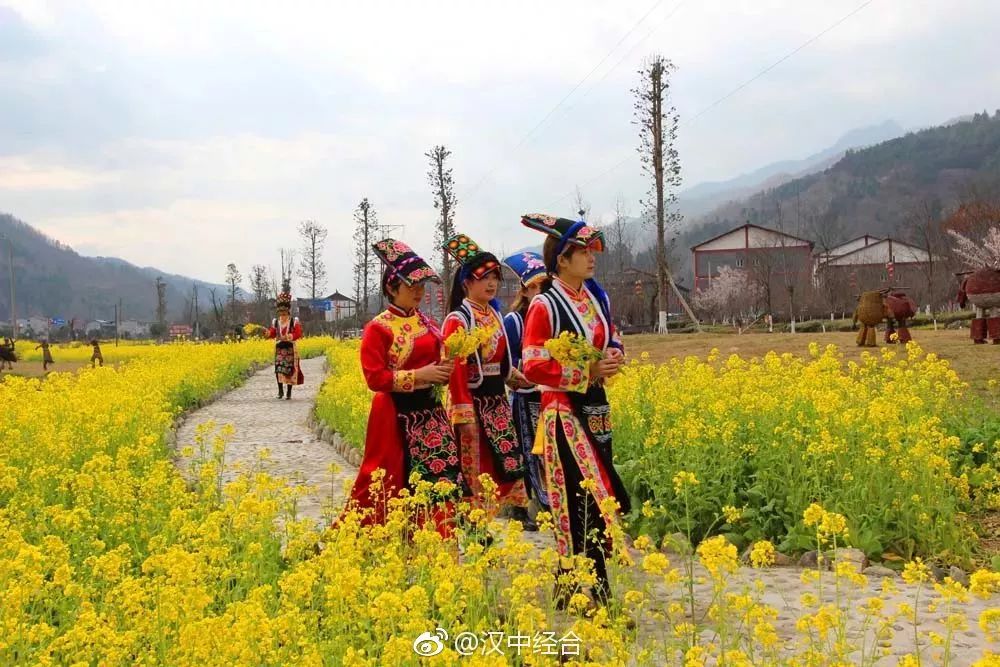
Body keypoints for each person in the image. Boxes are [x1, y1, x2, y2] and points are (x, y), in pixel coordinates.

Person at [520, 212, 631, 606]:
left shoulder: (596, 299)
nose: (591, 257)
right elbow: (532, 364)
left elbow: (612, 338)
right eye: (581, 251)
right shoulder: (545, 306)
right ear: (561, 259)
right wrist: (586, 370)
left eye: (592, 250)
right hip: (564, 411)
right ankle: (597, 594)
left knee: (595, 494)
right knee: (583, 498)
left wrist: (614, 358)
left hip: (597, 409)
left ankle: (568, 581)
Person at [340, 238, 462, 536]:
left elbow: (439, 357)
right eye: (412, 286)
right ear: (392, 288)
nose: (419, 292)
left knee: (440, 478)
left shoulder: (427, 322)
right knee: (386, 481)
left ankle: (435, 543)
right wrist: (421, 375)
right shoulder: (378, 329)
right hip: (395, 414)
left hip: (431, 414)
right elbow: (375, 379)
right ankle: (366, 538)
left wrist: (445, 370)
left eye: (422, 286)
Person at [441, 233, 530, 531]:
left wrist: (511, 376)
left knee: (500, 465)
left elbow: (498, 358)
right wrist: (463, 413)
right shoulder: (459, 319)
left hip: (496, 403)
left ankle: (486, 525)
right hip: (472, 403)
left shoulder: (493, 314)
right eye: (484, 278)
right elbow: (455, 369)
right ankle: (474, 529)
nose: (491, 283)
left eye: (495, 277)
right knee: (473, 468)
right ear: (467, 282)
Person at [502, 251, 550, 524]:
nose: (540, 292)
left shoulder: (548, 315)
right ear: (525, 289)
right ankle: (532, 507)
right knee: (527, 452)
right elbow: (509, 360)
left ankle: (549, 505)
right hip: (524, 396)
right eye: (535, 287)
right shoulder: (514, 321)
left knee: (546, 452)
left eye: (544, 287)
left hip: (548, 396)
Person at [267, 284, 304, 399]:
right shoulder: (276, 322)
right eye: (280, 313)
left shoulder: (294, 321)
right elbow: (272, 333)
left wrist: (289, 336)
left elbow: (298, 334)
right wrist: (267, 334)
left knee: (289, 370)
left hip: (290, 348)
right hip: (280, 348)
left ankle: (288, 392)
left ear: (288, 311)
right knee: (279, 369)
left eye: (284, 313)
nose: (282, 316)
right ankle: (280, 391)